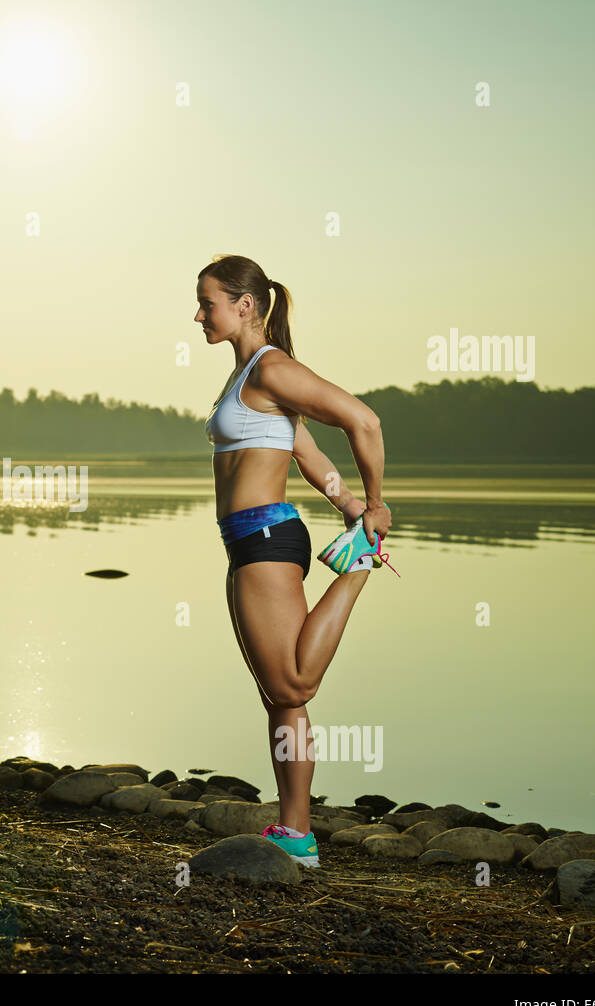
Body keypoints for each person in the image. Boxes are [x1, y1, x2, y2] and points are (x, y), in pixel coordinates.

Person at [196, 254, 397, 868]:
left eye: (208, 303)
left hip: (268, 538)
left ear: (245, 305)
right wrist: (345, 499)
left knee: (293, 683)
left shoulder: (273, 368)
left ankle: (359, 565)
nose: (198, 314)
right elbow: (306, 449)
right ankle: (296, 834)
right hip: (246, 542)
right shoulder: (245, 376)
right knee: (279, 698)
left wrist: (378, 507)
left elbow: (362, 419)